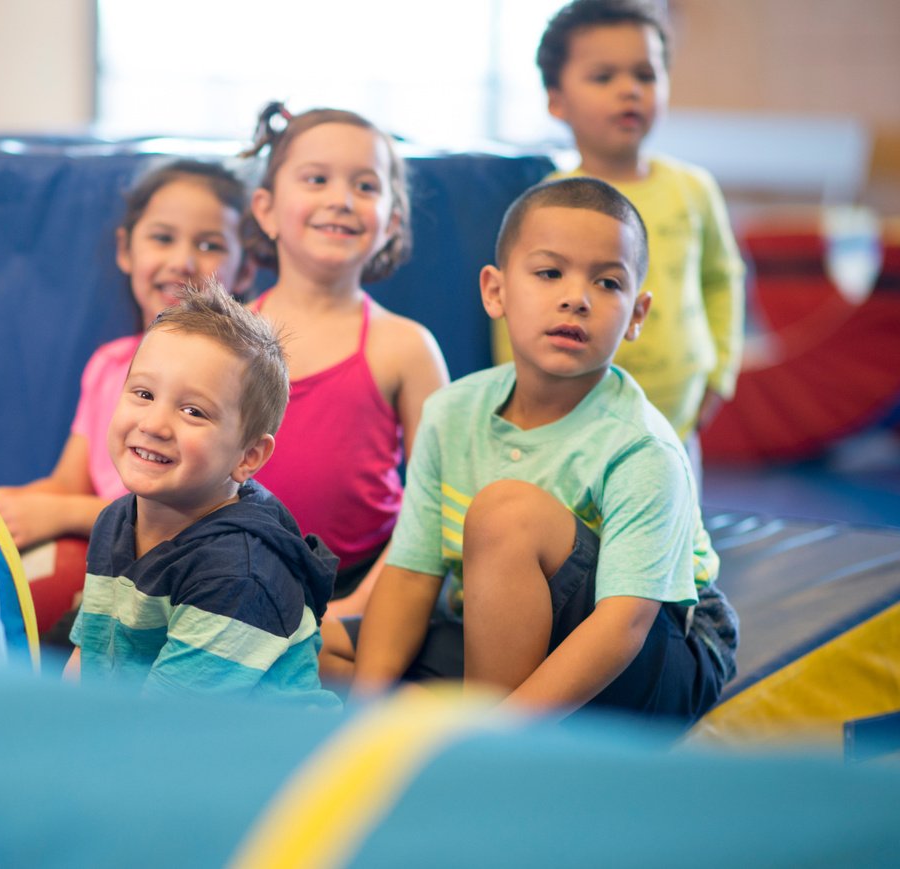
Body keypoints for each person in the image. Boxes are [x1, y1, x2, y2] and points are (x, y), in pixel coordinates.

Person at [326, 178, 738, 729]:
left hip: (658, 649)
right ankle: (450, 720)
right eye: (549, 273)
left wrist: (501, 736)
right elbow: (410, 576)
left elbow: (623, 626)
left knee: (507, 514)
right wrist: (366, 709)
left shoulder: (642, 445)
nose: (576, 297)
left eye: (608, 282)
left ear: (636, 314)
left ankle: (495, 744)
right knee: (317, 648)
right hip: (509, 632)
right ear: (495, 291)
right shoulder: (452, 413)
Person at [493, 0, 745, 479]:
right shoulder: (547, 203)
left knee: (673, 535)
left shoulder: (693, 189)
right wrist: (526, 391)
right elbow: (516, 300)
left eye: (645, 76)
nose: (629, 90)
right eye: (604, 77)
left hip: (678, 418)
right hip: (575, 420)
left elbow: (721, 277)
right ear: (556, 99)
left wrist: (720, 373)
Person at [66, 280, 340, 706]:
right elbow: (89, 665)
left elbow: (166, 730)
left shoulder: (240, 574)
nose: (155, 424)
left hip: (263, 764)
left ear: (248, 456)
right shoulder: (117, 521)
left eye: (193, 411)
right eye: (143, 393)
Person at [242, 102, 450, 618]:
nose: (341, 200)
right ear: (266, 209)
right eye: (316, 179)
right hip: (237, 567)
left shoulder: (405, 345)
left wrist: (361, 604)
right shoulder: (228, 336)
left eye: (365, 186)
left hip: (366, 580)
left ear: (391, 223)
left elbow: (439, 498)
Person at [0, 159, 252, 551]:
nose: (182, 261)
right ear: (125, 249)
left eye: (209, 245)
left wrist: (63, 514)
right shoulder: (108, 364)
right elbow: (66, 484)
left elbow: (191, 513)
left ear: (245, 270)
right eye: (163, 238)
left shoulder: (237, 378)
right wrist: (11, 505)